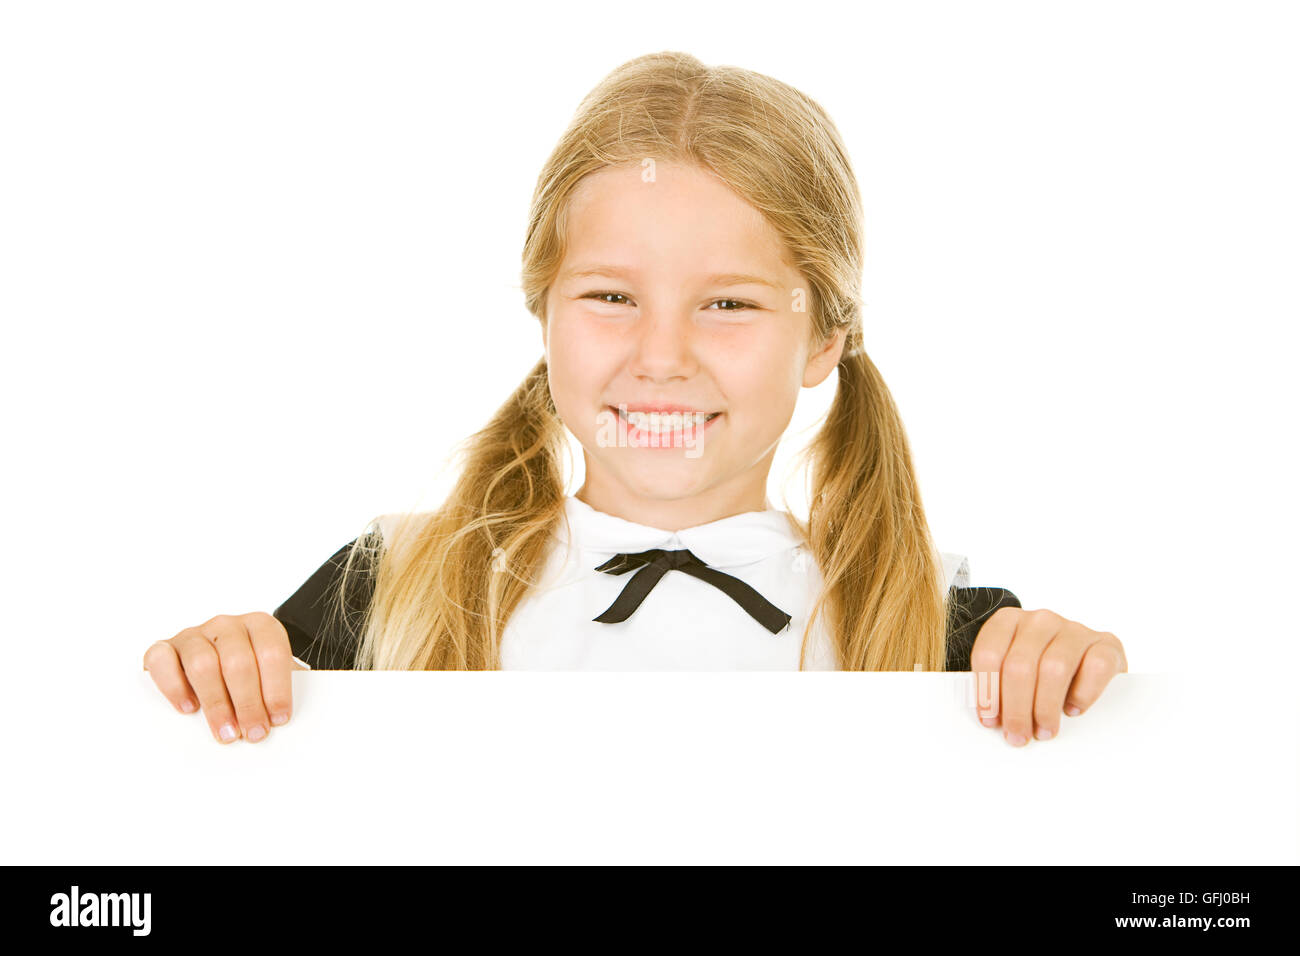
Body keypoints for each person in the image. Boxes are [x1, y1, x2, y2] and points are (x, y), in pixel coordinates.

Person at [143, 51, 1126, 750]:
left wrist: (1074, 679)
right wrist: (218, 669)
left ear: (824, 336)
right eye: (611, 296)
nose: (661, 357)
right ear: (544, 313)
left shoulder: (946, 630)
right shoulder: (381, 589)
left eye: (729, 304)